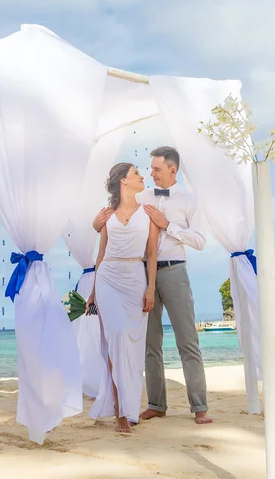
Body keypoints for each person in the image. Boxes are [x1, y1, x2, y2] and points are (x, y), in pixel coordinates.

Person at [93, 146, 213, 425]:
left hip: (174, 271)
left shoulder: (190, 200)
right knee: (150, 343)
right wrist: (96, 224)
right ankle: (157, 404)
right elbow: (115, 216)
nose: (150, 173)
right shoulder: (142, 193)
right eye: (149, 169)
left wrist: (167, 225)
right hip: (141, 274)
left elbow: (200, 241)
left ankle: (200, 406)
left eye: (156, 169)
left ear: (173, 170)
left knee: (187, 340)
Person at [86, 162, 159, 433]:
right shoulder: (107, 215)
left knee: (132, 347)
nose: (143, 176)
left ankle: (130, 409)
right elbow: (101, 253)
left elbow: (151, 253)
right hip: (108, 278)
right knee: (116, 338)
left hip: (135, 281)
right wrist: (93, 290)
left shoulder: (149, 213)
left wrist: (151, 288)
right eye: (137, 173)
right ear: (123, 181)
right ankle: (119, 413)